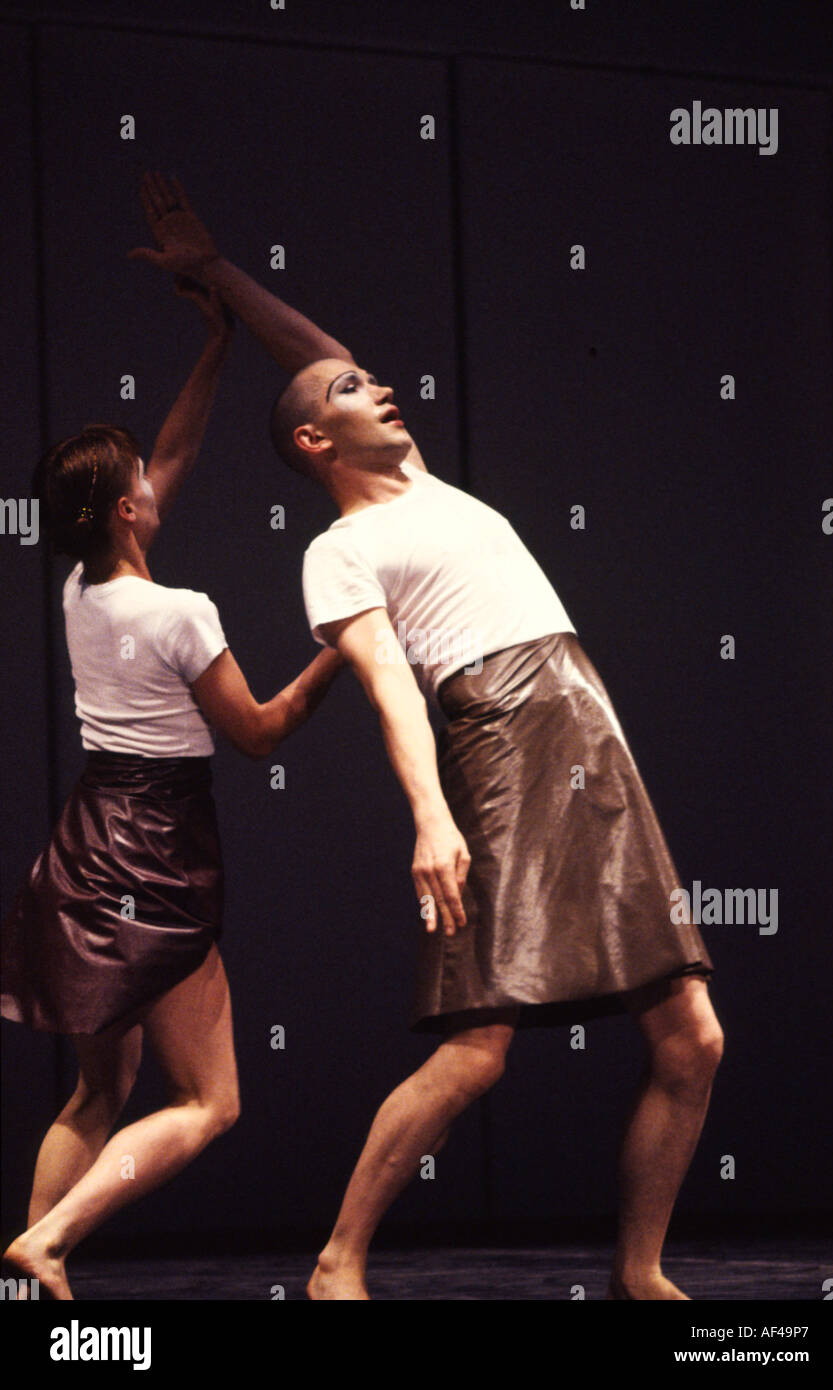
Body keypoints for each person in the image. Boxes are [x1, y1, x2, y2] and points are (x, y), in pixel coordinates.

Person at [130, 173, 723, 1302]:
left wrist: (216, 272)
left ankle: (642, 1274)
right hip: (497, 735)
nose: (383, 386)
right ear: (314, 439)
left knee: (692, 1034)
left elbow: (315, 343)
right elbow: (393, 688)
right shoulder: (340, 552)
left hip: (584, 723)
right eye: (355, 389)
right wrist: (432, 817)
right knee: (477, 1044)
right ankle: (337, 1261)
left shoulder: (429, 489)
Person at [1, 275, 342, 1300]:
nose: (158, 478)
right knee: (211, 1100)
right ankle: (47, 1243)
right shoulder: (180, 611)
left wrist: (214, 349)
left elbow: (175, 454)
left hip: (87, 843)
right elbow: (260, 733)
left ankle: (29, 1282)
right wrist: (349, 642)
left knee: (97, 1091)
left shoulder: (81, 586)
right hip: (156, 850)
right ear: (123, 510)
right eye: (138, 480)